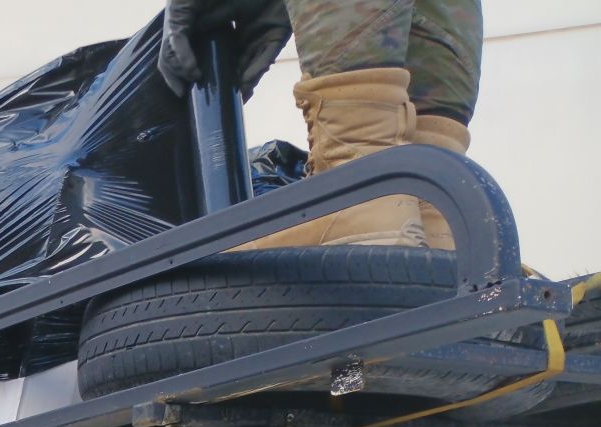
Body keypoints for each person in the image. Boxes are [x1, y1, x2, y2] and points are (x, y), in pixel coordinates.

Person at [159, 1, 483, 249]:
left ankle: (360, 196)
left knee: (364, 158)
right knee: (425, 159)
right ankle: (432, 216)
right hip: (448, 199)